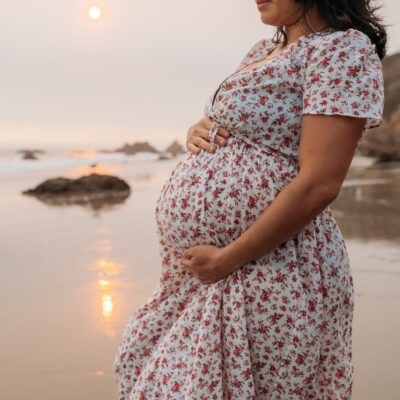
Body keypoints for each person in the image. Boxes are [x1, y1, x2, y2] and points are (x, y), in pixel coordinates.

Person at [113, 0, 386, 398]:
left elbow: (320, 183)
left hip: (272, 267)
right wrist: (198, 129)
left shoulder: (342, 49)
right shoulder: (262, 52)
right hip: (206, 277)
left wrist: (228, 258)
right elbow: (242, 126)